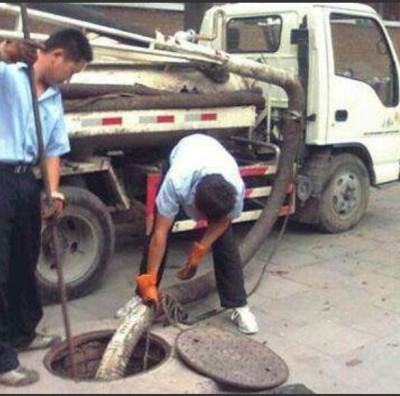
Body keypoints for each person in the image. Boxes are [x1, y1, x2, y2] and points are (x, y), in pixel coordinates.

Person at [0, 29, 93, 387]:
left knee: (25, 260)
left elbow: (53, 150)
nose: (70, 78)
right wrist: (6, 50)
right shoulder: (9, 75)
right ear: (55, 56)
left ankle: (23, 333)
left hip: (26, 182)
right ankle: (2, 358)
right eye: (72, 70)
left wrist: (53, 193)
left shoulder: (54, 98)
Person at [117, 134, 259, 335]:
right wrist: (148, 282)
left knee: (225, 241)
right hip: (185, 151)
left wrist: (199, 252)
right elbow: (160, 234)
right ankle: (142, 295)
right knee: (157, 233)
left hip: (214, 156)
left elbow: (223, 221)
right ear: (193, 199)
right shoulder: (177, 182)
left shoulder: (234, 189)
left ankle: (238, 305)